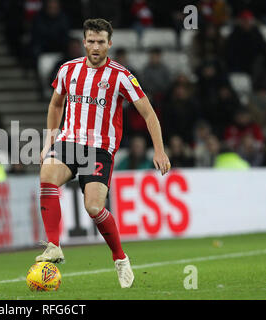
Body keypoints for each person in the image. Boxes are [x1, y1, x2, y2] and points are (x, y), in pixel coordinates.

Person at [37, 19, 171, 289]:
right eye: (91, 41)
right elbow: (55, 104)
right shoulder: (68, 70)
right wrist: (50, 138)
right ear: (84, 42)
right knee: (47, 174)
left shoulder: (121, 75)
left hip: (99, 148)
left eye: (101, 42)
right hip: (69, 141)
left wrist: (159, 150)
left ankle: (120, 258)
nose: (96, 46)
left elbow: (148, 112)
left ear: (109, 44)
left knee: (94, 207)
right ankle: (53, 246)